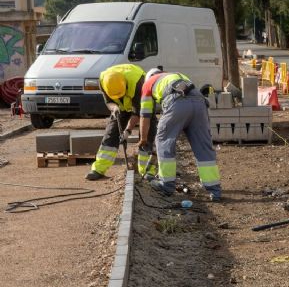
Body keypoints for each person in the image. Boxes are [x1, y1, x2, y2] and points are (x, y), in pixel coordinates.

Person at [139, 69, 221, 201]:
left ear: (149, 78)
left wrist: (143, 138)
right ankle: (214, 190)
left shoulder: (148, 84)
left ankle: (166, 184)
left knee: (163, 140)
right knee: (203, 146)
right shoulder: (177, 76)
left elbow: (145, 116)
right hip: (200, 103)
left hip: (177, 103)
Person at [86, 64, 158, 180]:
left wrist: (128, 131)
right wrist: (114, 107)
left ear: (125, 85)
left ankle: (147, 172)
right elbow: (108, 102)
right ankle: (98, 169)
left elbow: (139, 113)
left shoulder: (138, 83)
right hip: (120, 108)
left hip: (142, 103)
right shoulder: (103, 81)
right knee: (111, 133)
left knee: (147, 134)